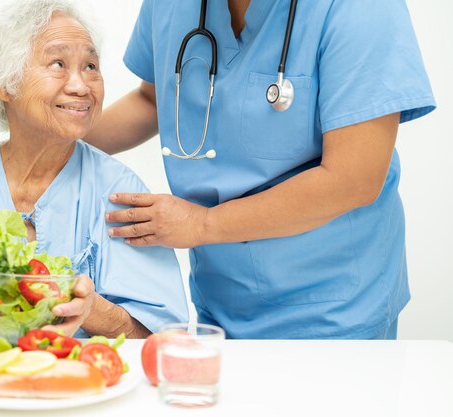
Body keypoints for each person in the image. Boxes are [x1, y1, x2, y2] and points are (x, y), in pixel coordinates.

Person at [85, 0, 435, 339]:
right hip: (221, 300)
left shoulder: (360, 8)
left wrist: (201, 224)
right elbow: (153, 99)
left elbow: (354, 180)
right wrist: (50, 137)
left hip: (335, 310)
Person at [0, 0, 188, 340]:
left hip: (84, 388)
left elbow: (160, 338)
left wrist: (91, 308)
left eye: (90, 66)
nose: (81, 86)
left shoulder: (120, 191)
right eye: (58, 63)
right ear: (4, 82)